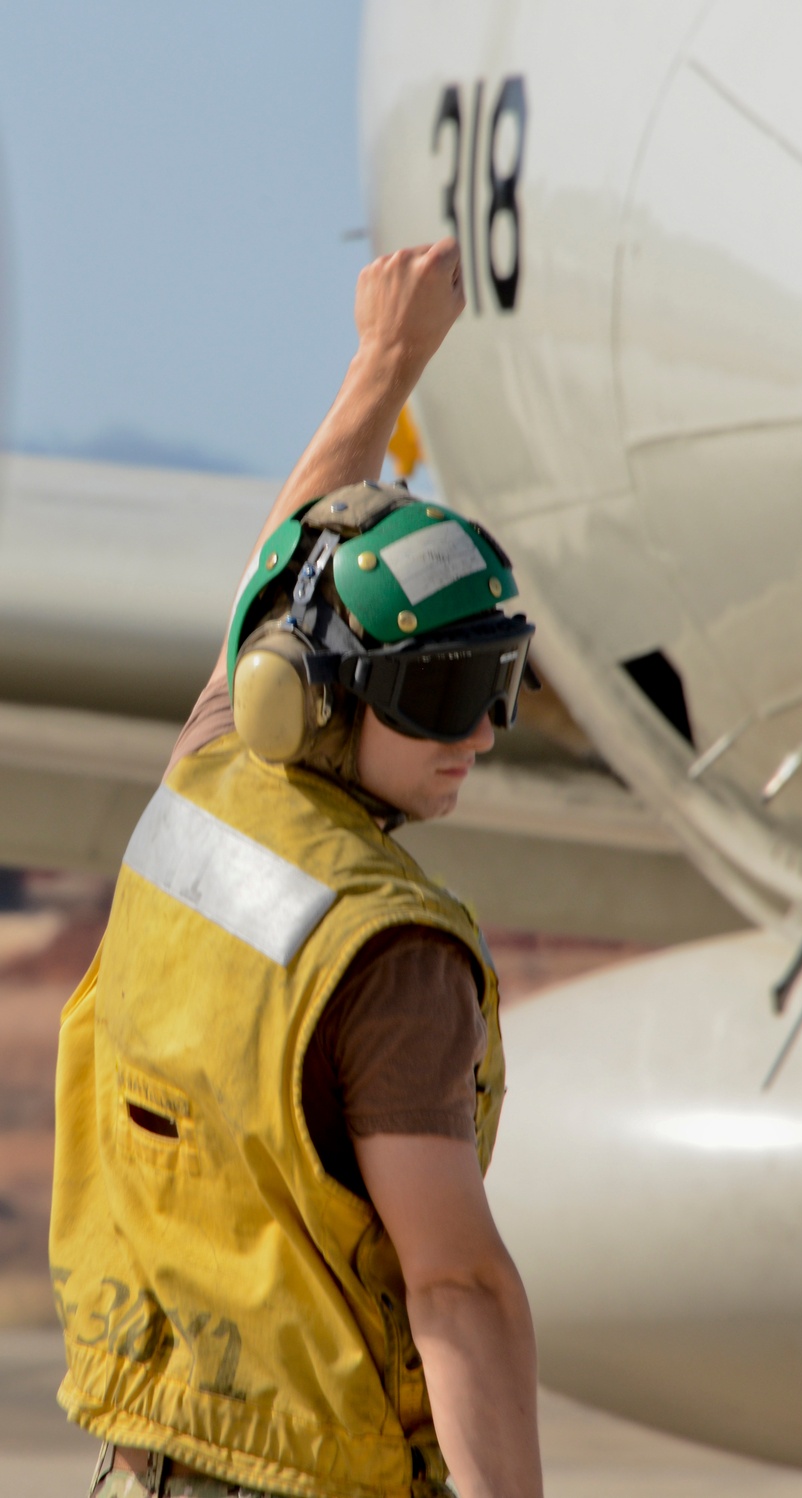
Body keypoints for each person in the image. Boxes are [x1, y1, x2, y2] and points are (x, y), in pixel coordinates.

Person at [49, 239, 545, 1498]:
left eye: (496, 685)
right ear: (324, 694)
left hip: (142, 1462)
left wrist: (386, 363)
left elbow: (266, 593)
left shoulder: (207, 778)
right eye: (438, 692)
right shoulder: (391, 954)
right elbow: (457, 1283)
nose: (480, 734)